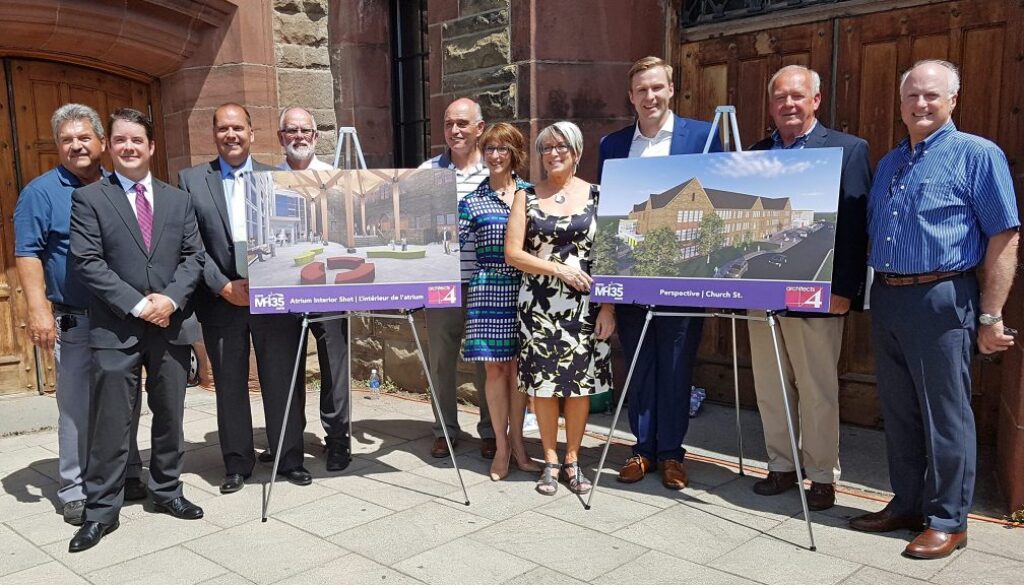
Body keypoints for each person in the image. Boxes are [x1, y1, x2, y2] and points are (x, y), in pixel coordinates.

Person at [850, 60, 1019, 559]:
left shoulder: (976, 155)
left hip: (943, 298)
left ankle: (949, 519)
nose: (921, 104)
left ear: (953, 100)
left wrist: (990, 315)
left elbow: (1005, 235)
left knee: (946, 415)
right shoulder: (890, 162)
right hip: (888, 296)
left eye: (931, 96)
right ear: (900, 104)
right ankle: (907, 503)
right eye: (912, 97)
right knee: (900, 410)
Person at [68, 108, 205, 552]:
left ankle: (167, 491)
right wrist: (138, 303)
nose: (129, 147)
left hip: (170, 325)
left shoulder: (178, 200)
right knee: (111, 422)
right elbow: (88, 262)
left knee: (170, 415)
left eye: (137, 140)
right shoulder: (90, 199)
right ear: (109, 146)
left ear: (151, 147)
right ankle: (100, 511)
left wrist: (170, 299)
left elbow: (193, 258)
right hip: (116, 327)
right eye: (120, 140)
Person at [13, 104, 147, 526]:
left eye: (84, 137)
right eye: (67, 140)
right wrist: (38, 310)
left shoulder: (118, 184)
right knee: (76, 406)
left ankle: (125, 471)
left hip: (123, 314)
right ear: (58, 147)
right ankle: (73, 486)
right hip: (75, 316)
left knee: (125, 398)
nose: (76, 146)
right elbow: (28, 253)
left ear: (102, 143)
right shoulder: (41, 192)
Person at [746, 65, 871, 511]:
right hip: (761, 295)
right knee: (770, 383)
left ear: (816, 100)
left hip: (818, 293)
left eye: (798, 97)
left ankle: (821, 475)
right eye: (780, 98)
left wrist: (846, 290)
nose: (789, 105)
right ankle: (780, 466)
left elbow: (856, 227)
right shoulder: (757, 153)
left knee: (817, 388)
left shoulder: (847, 150)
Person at [597, 56, 719, 490]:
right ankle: (641, 448)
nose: (650, 97)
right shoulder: (612, 145)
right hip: (632, 273)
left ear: (671, 89)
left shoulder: (703, 137)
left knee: (676, 364)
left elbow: (714, 204)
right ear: (631, 97)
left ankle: (671, 453)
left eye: (657, 88)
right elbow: (607, 215)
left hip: (685, 276)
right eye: (641, 90)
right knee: (638, 365)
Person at [179, 103, 311, 494]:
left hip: (273, 297)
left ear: (252, 133)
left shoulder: (278, 178)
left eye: (238, 128)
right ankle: (236, 463)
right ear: (215, 134)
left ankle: (289, 458)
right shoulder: (192, 181)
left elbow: (295, 235)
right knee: (230, 384)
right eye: (223, 129)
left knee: (283, 380)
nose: (231, 135)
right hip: (221, 299)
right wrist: (222, 285)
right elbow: (191, 245)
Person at [505, 121, 615, 496]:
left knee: (579, 386)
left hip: (585, 307)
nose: (553, 153)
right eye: (546, 148)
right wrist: (558, 269)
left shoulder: (599, 196)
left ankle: (573, 459)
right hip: (538, 305)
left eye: (561, 147)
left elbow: (611, 256)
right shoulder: (527, 196)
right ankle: (550, 461)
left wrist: (608, 309)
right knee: (545, 387)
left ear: (577, 152)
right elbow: (514, 254)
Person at [270, 106, 351, 472]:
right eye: (291, 131)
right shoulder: (267, 182)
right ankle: (288, 443)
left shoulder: (336, 180)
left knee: (335, 364)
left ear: (317, 138)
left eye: (305, 131)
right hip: (285, 285)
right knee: (287, 366)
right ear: (280, 137)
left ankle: (337, 441)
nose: (299, 136)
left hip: (330, 286)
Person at [459, 122, 539, 481]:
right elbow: (447, 247)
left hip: (525, 289)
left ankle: (519, 442)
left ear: (514, 153)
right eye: (489, 148)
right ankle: (502, 448)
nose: (494, 155)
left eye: (502, 149)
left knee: (519, 370)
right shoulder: (471, 201)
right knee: (495, 369)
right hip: (487, 287)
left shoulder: (533, 195)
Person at [419, 98, 493, 459]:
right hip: (441, 283)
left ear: (480, 128)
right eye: (449, 124)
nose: (455, 131)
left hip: (486, 284)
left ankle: (491, 430)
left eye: (463, 123)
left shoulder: (496, 169)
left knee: (488, 361)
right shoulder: (428, 170)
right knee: (440, 361)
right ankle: (444, 430)